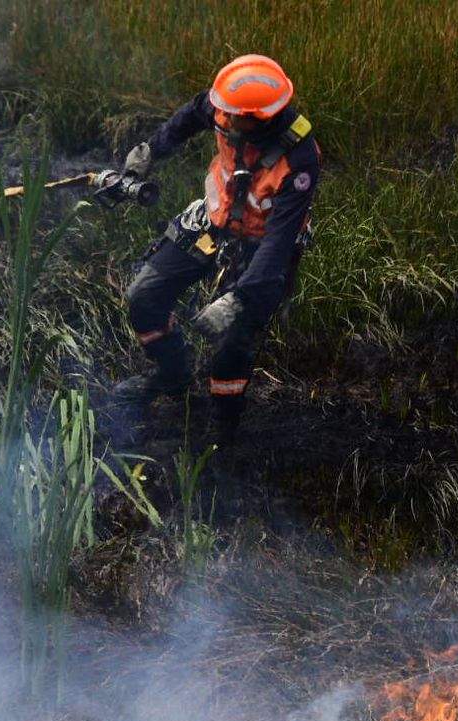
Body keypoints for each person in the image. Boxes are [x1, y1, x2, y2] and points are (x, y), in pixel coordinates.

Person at [114, 54, 321, 442]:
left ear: (260, 119)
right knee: (145, 296)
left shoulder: (300, 159)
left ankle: (222, 427)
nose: (221, 117)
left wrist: (238, 301)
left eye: (231, 116)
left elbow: (278, 244)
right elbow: (192, 114)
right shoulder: (225, 109)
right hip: (212, 221)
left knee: (232, 345)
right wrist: (151, 152)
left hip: (263, 248)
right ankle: (172, 374)